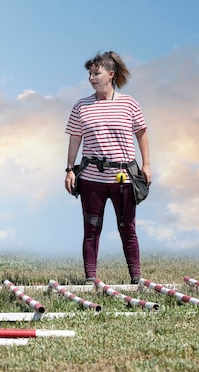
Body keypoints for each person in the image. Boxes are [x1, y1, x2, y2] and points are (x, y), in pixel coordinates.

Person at [64, 51, 152, 285]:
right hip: (92, 178)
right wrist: (69, 169)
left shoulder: (129, 103)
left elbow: (141, 134)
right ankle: (90, 278)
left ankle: (136, 278)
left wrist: (147, 164)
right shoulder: (81, 106)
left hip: (123, 177)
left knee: (127, 228)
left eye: (96, 73)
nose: (92, 78)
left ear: (110, 75)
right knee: (91, 229)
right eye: (90, 74)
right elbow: (75, 138)